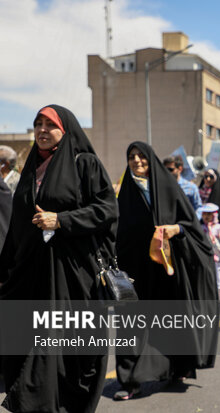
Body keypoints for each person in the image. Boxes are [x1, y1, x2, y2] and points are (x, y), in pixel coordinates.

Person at [0, 105, 118, 412]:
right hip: (33, 273)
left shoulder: (84, 164)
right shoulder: (30, 170)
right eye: (37, 124)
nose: (41, 130)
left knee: (72, 351)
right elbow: (17, 227)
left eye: (49, 125)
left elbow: (106, 210)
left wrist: (62, 220)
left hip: (73, 274)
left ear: (65, 130)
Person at [114, 142, 219, 400]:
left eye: (142, 156)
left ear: (151, 159)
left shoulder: (169, 188)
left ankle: (176, 369)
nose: (137, 161)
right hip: (134, 270)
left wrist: (175, 229)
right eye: (131, 157)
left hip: (166, 268)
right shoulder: (125, 193)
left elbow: (192, 227)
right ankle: (129, 381)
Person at [197, 203, 220, 301]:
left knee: (218, 282)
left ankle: (219, 302)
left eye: (209, 214)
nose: (206, 216)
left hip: (217, 260)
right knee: (204, 282)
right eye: (204, 214)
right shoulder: (200, 228)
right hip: (204, 261)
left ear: (214, 215)